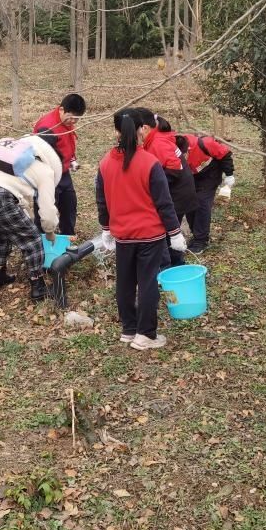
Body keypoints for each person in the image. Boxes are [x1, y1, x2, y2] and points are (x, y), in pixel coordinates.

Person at [96, 109, 187, 351]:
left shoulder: (105, 163)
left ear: (116, 131)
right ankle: (145, 334)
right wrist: (175, 233)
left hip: (122, 235)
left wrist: (106, 228)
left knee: (124, 282)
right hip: (151, 235)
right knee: (147, 282)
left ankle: (128, 329)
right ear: (140, 129)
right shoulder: (149, 162)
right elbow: (164, 203)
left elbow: (102, 201)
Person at [0, 134, 63, 301]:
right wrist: (50, 232)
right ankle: (38, 288)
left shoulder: (11, 159)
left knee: (0, 233)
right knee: (32, 239)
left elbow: (24, 204)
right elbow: (48, 212)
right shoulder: (45, 171)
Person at [142, 113, 197, 266]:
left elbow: (175, 167)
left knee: (167, 232)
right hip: (180, 192)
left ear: (145, 128)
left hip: (178, 194)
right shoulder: (156, 139)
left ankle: (173, 266)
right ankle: (174, 263)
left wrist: (155, 185)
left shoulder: (157, 143)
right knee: (170, 231)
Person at [33, 94, 86, 236]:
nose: (73, 121)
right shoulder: (47, 128)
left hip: (64, 173)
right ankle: (42, 241)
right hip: (47, 176)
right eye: (71, 117)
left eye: (77, 118)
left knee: (69, 206)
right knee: (45, 210)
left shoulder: (67, 122)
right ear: (62, 109)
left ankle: (67, 238)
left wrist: (72, 160)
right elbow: (41, 158)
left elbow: (67, 143)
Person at [181, 132, 235, 254]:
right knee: (189, 203)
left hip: (210, 174)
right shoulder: (174, 151)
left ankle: (201, 240)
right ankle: (196, 235)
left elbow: (225, 154)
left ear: (188, 149)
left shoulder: (206, 144)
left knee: (201, 203)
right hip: (191, 175)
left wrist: (229, 174)